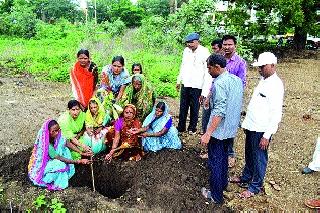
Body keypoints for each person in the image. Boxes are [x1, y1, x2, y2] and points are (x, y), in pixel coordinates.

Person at [230, 52, 284, 199]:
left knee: (260, 157)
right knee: (249, 154)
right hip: (252, 125)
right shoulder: (263, 80)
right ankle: (246, 177)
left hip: (262, 129)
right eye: (259, 66)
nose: (260, 69)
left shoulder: (276, 85)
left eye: (263, 66)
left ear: (273, 66)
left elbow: (276, 113)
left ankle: (255, 186)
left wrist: (267, 135)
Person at [200, 54, 243, 204]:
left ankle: (215, 196)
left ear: (217, 67)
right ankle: (223, 185)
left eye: (209, 67)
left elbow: (219, 111)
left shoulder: (219, 84)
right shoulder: (236, 81)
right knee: (224, 158)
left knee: (216, 162)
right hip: (230, 129)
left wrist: (208, 132)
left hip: (218, 132)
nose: (208, 71)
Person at [28, 119, 91, 191]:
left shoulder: (58, 135)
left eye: (58, 130)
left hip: (56, 157)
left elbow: (67, 143)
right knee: (60, 165)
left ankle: (63, 175)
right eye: (53, 131)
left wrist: (81, 152)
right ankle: (53, 182)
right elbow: (58, 157)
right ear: (48, 132)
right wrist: (79, 161)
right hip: (44, 164)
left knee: (66, 150)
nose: (56, 133)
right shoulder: (46, 144)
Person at [176, 32, 212, 135]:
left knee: (195, 107)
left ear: (197, 41)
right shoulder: (186, 51)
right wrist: (179, 80)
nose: (189, 44)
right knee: (183, 106)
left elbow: (207, 72)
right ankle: (181, 127)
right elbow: (183, 65)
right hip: (186, 83)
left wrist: (204, 92)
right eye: (188, 42)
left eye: (192, 42)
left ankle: (192, 127)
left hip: (198, 84)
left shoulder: (205, 52)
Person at [222, 35, 247, 168]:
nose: (226, 47)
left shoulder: (240, 62)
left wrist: (232, 100)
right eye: (224, 44)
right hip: (218, 99)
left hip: (231, 101)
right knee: (217, 125)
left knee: (230, 127)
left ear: (234, 45)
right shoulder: (219, 59)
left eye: (229, 44)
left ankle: (230, 154)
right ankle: (216, 151)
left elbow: (241, 84)